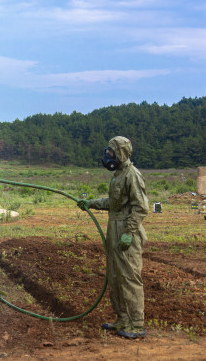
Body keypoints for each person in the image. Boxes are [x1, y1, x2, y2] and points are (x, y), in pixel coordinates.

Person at [78, 136, 148, 339]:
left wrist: (129, 232)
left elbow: (141, 207)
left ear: (120, 153)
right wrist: (91, 203)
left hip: (127, 233)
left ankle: (136, 324)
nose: (107, 156)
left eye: (111, 152)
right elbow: (113, 202)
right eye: (107, 152)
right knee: (116, 277)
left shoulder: (133, 175)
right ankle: (123, 319)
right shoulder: (118, 175)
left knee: (129, 277)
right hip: (114, 229)